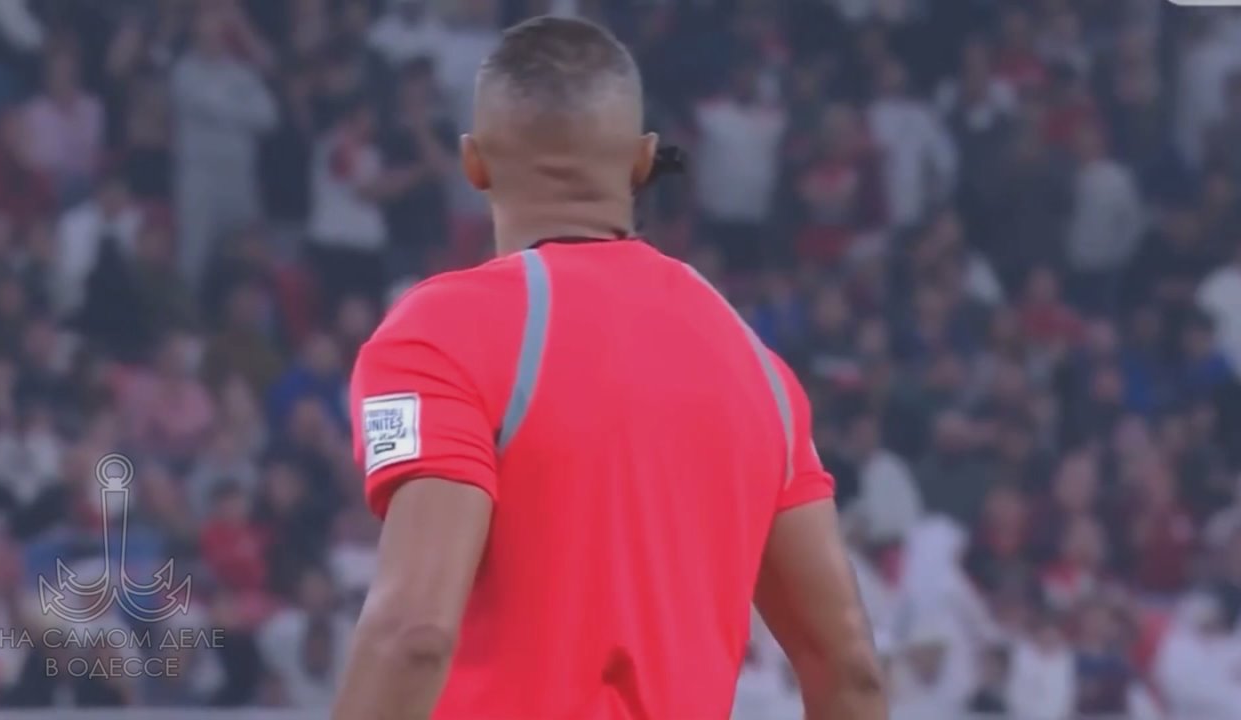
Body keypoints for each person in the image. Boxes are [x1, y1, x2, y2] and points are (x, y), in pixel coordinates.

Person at [335, 16, 886, 720]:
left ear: (474, 164)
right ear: (642, 160)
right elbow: (849, 668)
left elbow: (413, 633)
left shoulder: (440, 333)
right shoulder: (758, 369)